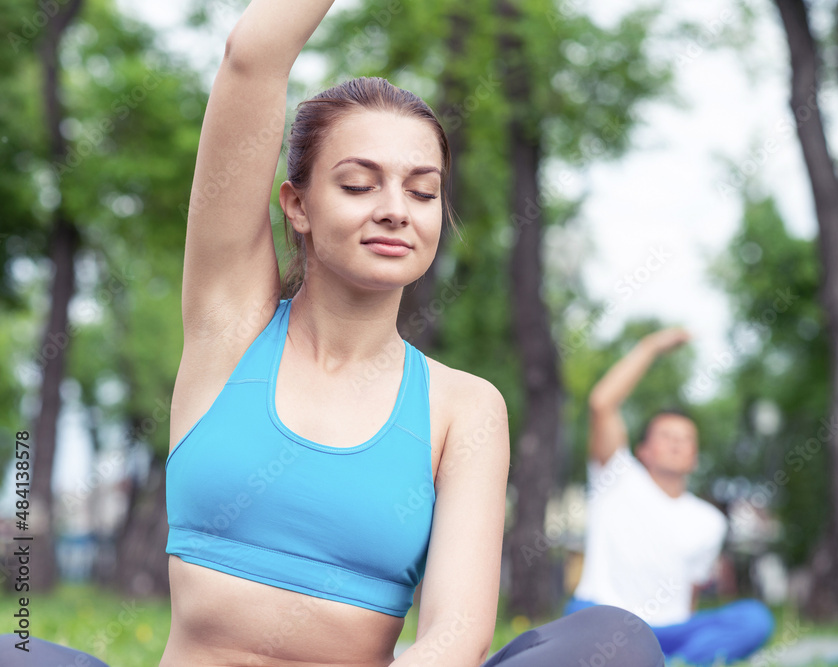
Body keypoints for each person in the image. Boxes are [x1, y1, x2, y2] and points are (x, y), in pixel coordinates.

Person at [1, 1, 666, 666]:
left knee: (613, 643)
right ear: (297, 204)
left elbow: (456, 633)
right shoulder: (231, 329)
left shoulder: (465, 409)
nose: (394, 211)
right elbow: (253, 57)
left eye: (423, 191)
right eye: (358, 183)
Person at [563, 328, 774, 666]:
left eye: (686, 439)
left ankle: (668, 661)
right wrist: (651, 346)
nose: (676, 443)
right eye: (666, 435)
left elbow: (690, 592)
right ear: (643, 450)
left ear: (694, 455)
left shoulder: (710, 521)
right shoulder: (616, 476)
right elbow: (602, 402)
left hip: (669, 629)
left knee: (755, 619)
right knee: (590, 628)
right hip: (605, 619)